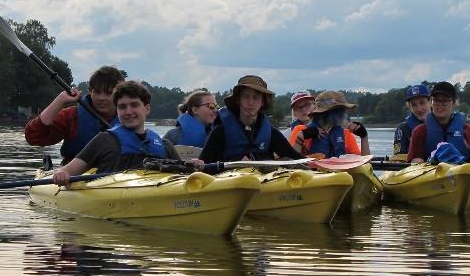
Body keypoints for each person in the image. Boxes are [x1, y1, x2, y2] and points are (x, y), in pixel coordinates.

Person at [52, 81, 187, 186]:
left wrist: (194, 165)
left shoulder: (165, 146)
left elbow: (185, 177)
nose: (128, 112)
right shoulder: (104, 140)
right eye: (122, 107)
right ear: (117, 110)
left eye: (134, 105)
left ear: (147, 109)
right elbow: (67, 171)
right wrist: (61, 174)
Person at [25, 65, 125, 164]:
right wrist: (60, 100)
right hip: (75, 174)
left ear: (120, 94)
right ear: (90, 91)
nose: (101, 98)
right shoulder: (71, 116)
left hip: (117, 173)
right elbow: (33, 137)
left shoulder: (130, 118)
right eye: (97, 92)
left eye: (108, 93)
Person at [199, 75, 304, 163]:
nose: (250, 103)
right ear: (238, 100)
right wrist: (234, 162)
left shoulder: (271, 132)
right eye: (245, 96)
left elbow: (295, 158)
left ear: (262, 102)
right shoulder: (220, 131)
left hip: (265, 183)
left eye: (256, 97)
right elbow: (204, 166)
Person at [406, 81, 470, 164]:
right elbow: (415, 161)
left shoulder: (467, 131)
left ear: (453, 103)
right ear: (431, 102)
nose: (440, 105)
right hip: (431, 174)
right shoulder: (419, 131)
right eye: (436, 100)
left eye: (445, 101)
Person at [289, 90, 370, 157]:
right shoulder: (301, 130)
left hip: (340, 174)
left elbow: (363, 163)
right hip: (311, 174)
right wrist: (300, 137)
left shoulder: (346, 133)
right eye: (342, 111)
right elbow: (290, 162)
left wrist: (364, 137)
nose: (344, 114)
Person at [393, 84, 431, 157]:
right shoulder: (403, 129)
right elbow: (398, 157)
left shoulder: (442, 123)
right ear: (409, 107)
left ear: (430, 102)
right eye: (414, 105)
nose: (419, 108)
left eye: (422, 103)